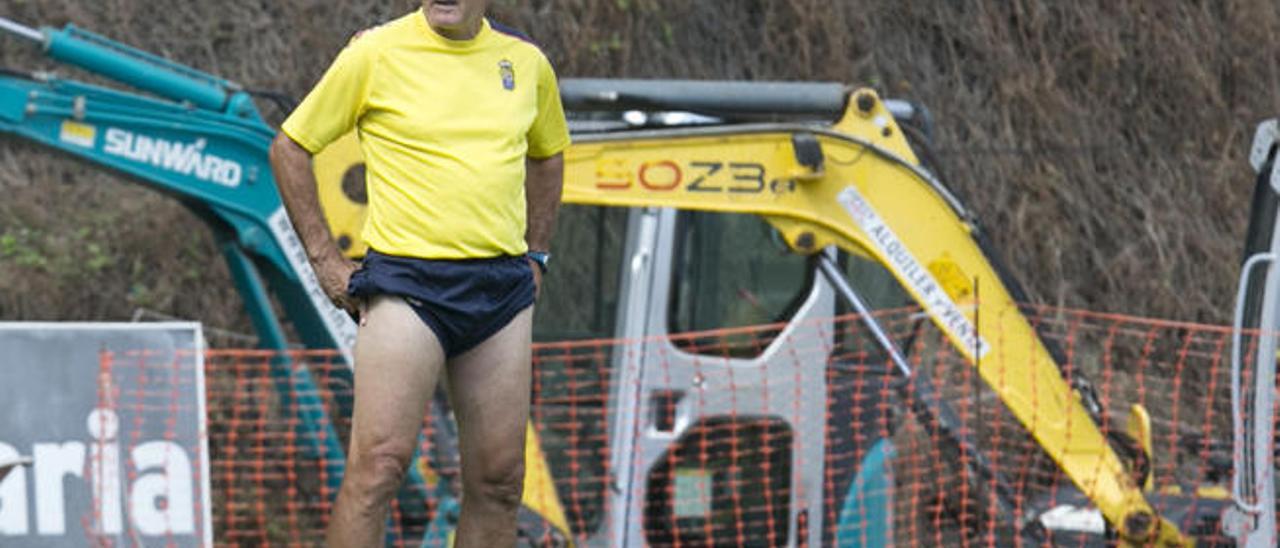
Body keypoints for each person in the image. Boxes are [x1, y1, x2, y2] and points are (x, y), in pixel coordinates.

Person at [267, 0, 569, 545]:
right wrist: (325, 262)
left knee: (500, 483)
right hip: (407, 288)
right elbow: (290, 148)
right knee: (378, 468)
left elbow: (548, 156)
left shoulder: (526, 64)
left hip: (501, 291)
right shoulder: (375, 52)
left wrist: (538, 253)